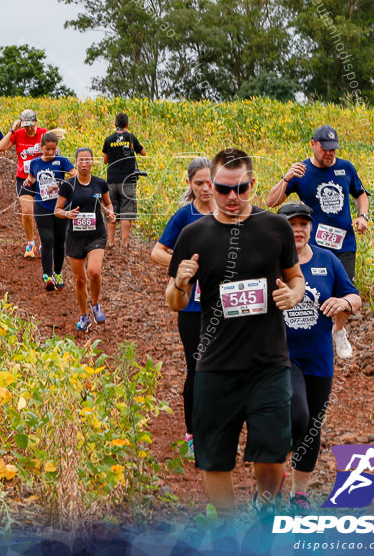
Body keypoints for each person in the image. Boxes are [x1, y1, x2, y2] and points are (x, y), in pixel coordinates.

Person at [166, 148, 305, 529]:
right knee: (215, 459)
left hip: (268, 363)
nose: (232, 197)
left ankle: (265, 508)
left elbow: (295, 276)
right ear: (211, 186)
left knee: (274, 453)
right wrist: (180, 281)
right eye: (224, 189)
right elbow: (175, 300)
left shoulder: (275, 227)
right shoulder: (194, 234)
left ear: (253, 185)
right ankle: (226, 534)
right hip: (216, 366)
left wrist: (294, 294)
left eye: (241, 189)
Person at [277, 201, 361, 514]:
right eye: (291, 223)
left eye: (303, 224)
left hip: (319, 357)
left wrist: (344, 304)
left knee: (313, 426)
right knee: (297, 415)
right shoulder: (271, 261)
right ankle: (272, 474)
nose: (298, 230)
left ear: (310, 227)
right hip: (282, 356)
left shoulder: (327, 260)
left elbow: (354, 296)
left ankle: (299, 494)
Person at [265, 125, 368, 357]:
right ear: (313, 145)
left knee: (345, 294)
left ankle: (339, 330)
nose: (330, 153)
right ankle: (307, 335)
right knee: (311, 292)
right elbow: (272, 201)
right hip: (312, 247)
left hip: (344, 245)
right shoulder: (302, 170)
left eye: (334, 149)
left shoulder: (346, 168)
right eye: (325, 148)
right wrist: (286, 177)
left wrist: (363, 217)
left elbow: (361, 194)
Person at [150, 157, 213, 455]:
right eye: (199, 183)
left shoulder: (229, 213)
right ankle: (192, 435)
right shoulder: (184, 216)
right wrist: (185, 267)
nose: (205, 188)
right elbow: (157, 252)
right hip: (191, 306)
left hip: (226, 306)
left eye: (209, 182)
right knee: (197, 367)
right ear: (189, 184)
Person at [55, 147, 115, 332]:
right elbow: (57, 210)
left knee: (94, 272)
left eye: (87, 160)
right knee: (80, 280)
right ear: (76, 163)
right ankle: (84, 316)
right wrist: (67, 214)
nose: (84, 164)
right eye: (80, 161)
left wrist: (110, 212)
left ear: (92, 162)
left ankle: (95, 305)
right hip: (75, 236)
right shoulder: (68, 185)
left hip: (96, 234)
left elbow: (108, 203)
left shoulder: (100, 184)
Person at [26, 133, 75, 290]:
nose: (50, 152)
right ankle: (47, 276)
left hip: (61, 206)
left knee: (60, 242)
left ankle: (58, 273)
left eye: (53, 149)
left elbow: (75, 175)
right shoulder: (34, 163)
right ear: (41, 148)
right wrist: (29, 181)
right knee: (47, 240)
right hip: (42, 205)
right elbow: (32, 177)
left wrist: (60, 184)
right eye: (47, 149)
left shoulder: (62, 161)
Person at [0, 109, 47, 258]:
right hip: (23, 178)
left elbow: (54, 151)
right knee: (27, 211)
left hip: (42, 179)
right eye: (26, 126)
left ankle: (45, 243)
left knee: (43, 213)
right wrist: (13, 129)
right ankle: (30, 243)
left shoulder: (43, 133)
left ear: (36, 122)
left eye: (31, 126)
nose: (29, 129)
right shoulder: (18, 134)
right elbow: (0, 148)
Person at [102, 112, 146, 252]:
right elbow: (143, 152)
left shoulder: (108, 139)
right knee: (127, 211)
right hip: (127, 180)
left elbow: (105, 160)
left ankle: (110, 242)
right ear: (127, 125)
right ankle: (124, 243)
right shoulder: (131, 137)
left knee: (111, 210)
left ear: (115, 124)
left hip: (112, 180)